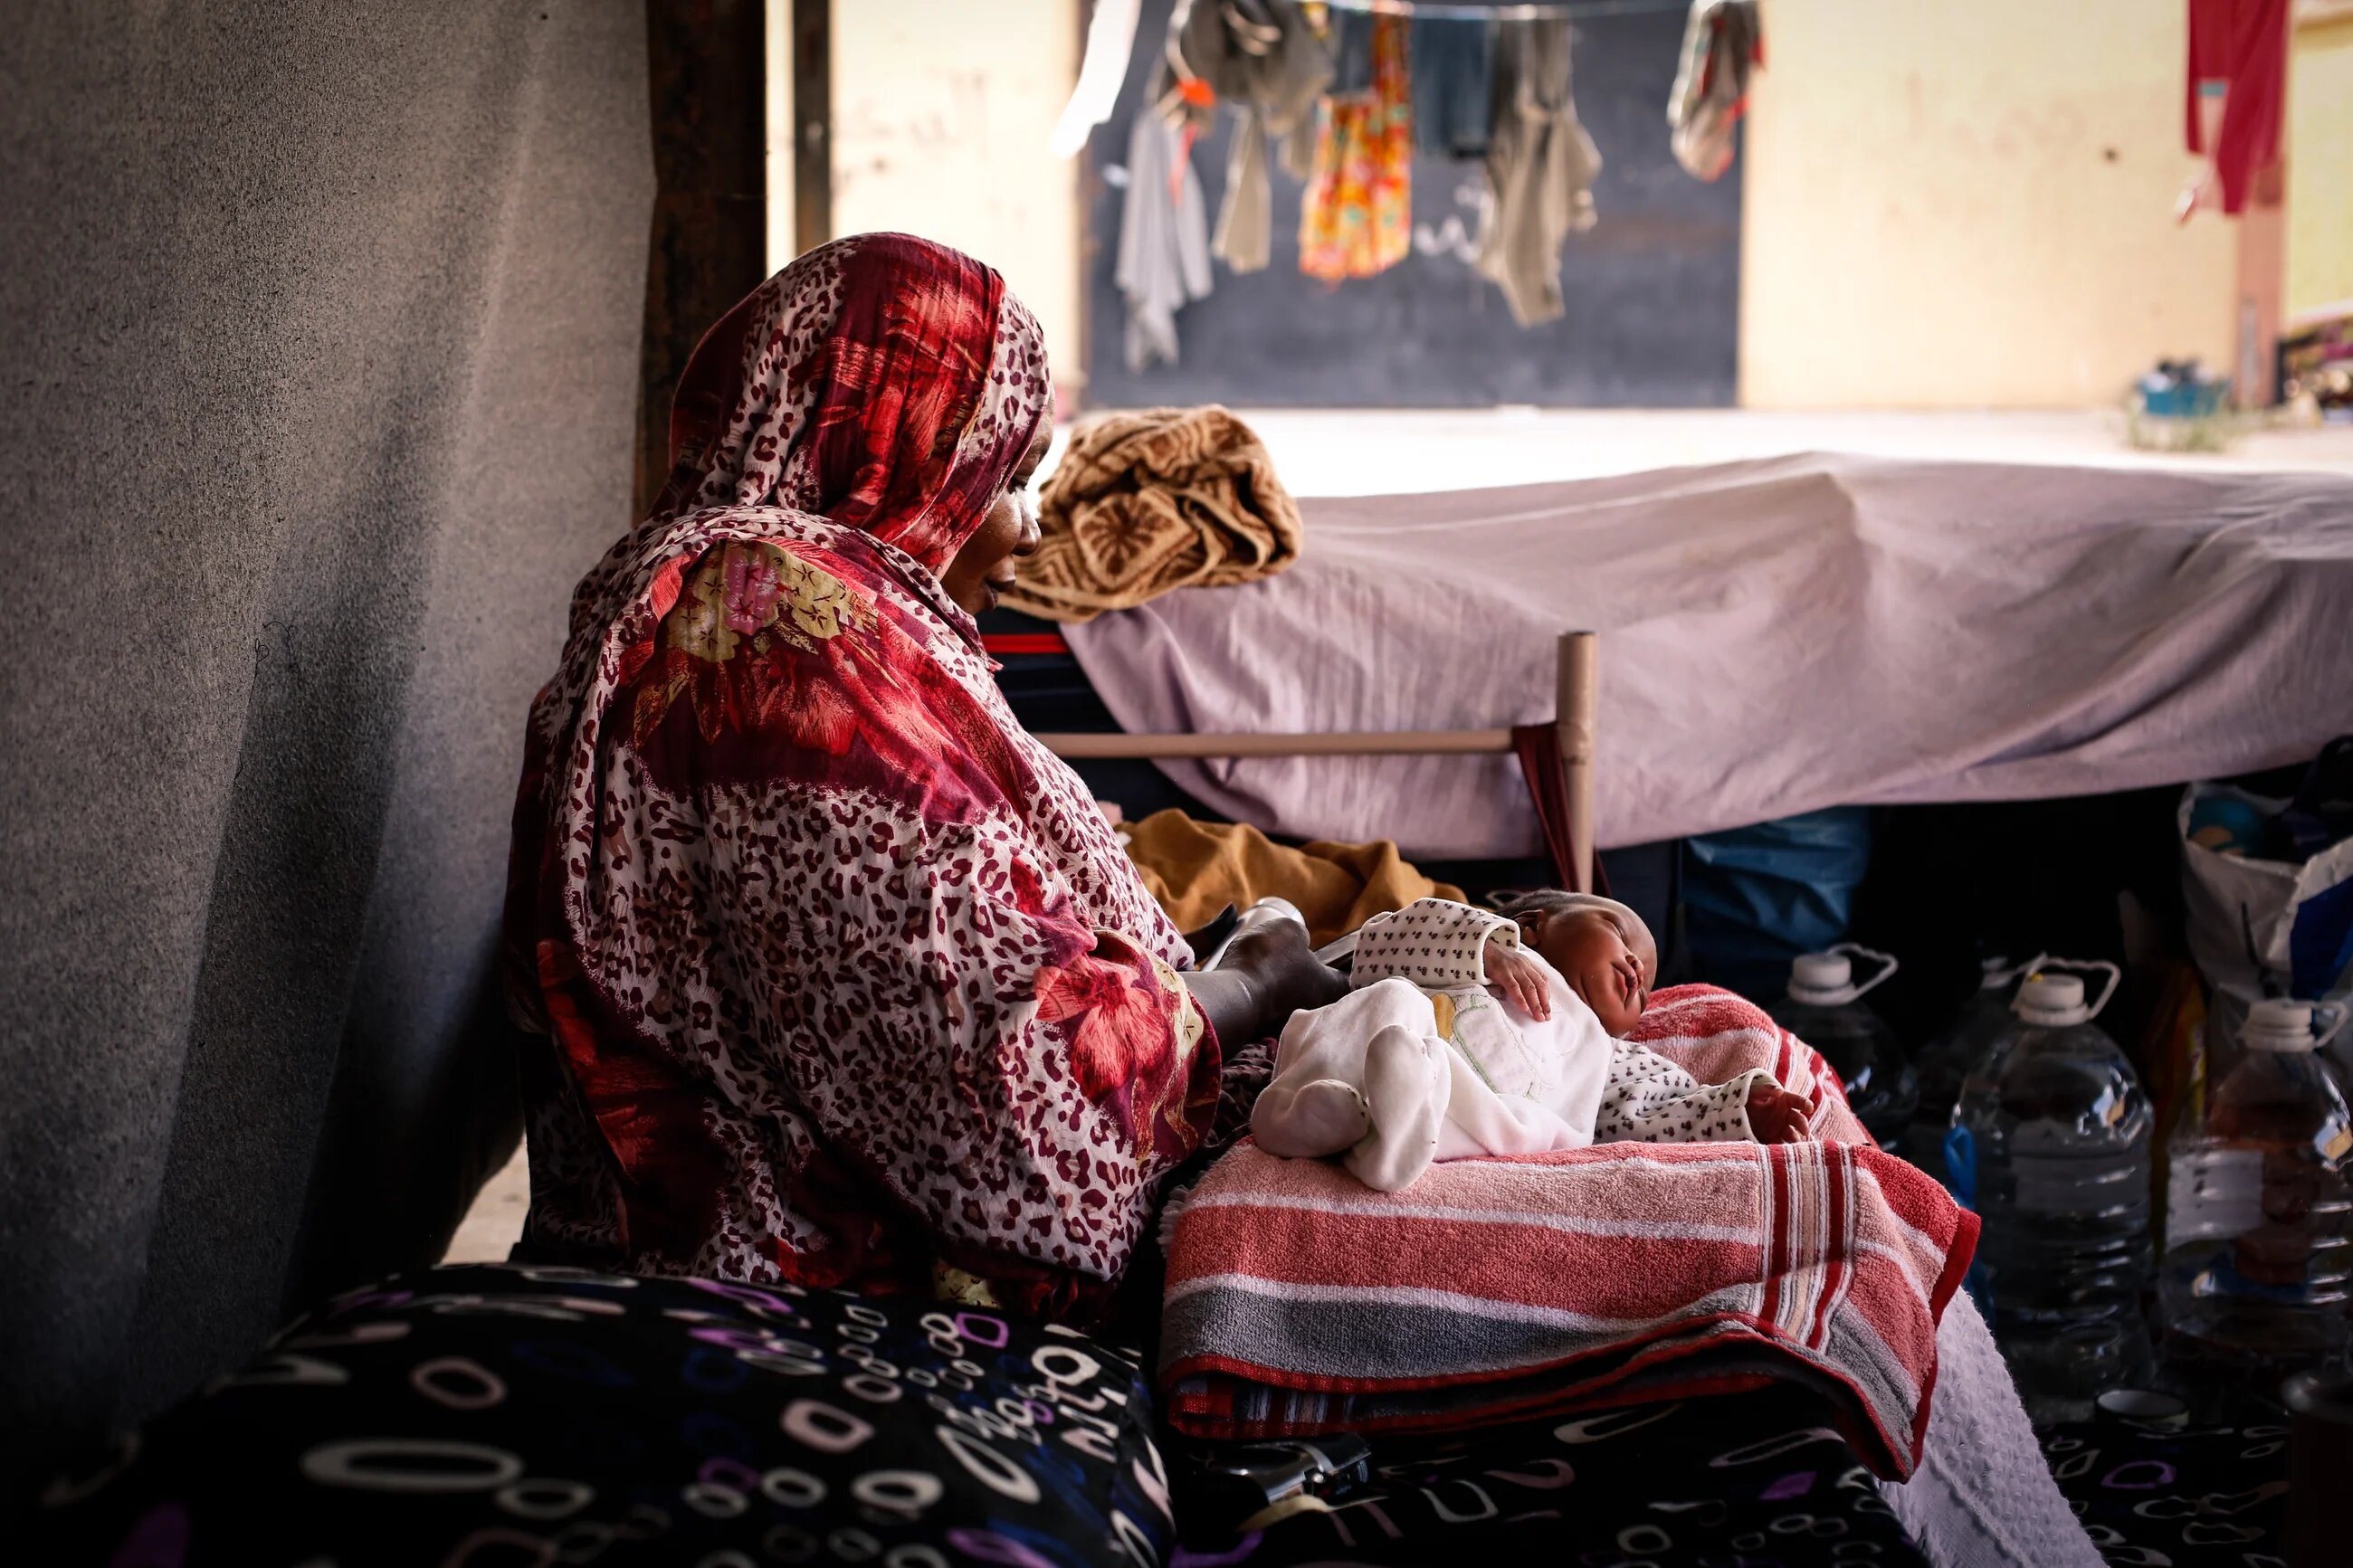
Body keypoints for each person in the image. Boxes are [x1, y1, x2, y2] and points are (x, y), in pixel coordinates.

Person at [502, 233, 1340, 1319]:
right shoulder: (773, 634)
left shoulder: (677, 592)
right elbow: (1015, 1117)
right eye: (1008, 478)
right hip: (802, 1301)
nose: (1028, 531)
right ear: (888, 449)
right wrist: (1249, 984)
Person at [1252, 893, 1815, 1191]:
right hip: (1383, 1057)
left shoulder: (1603, 1052)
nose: (1637, 970)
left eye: (1644, 990)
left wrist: (1738, 1111)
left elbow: (1653, 1110)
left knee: (1521, 1124)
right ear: (1535, 923)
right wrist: (1486, 949)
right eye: (1619, 934)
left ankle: (1387, 1145)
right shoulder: (1477, 951)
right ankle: (1299, 1113)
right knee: (1389, 1000)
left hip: (1476, 1114)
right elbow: (1377, 948)